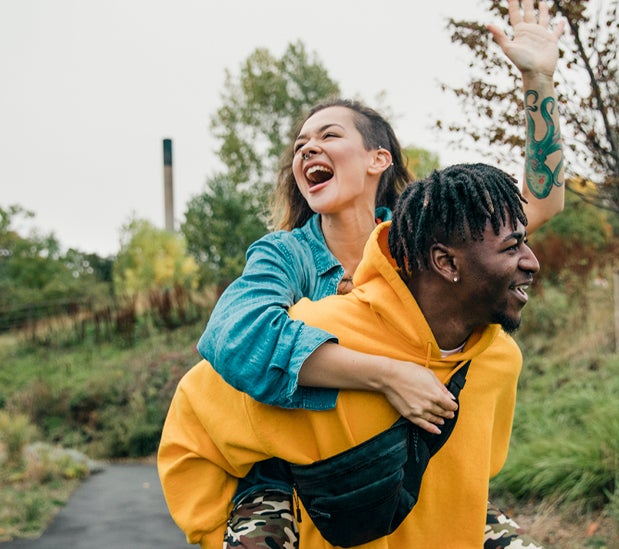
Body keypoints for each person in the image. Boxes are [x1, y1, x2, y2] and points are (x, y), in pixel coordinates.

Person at [184, 0, 565, 546]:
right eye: (300, 145)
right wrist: (387, 374)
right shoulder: (284, 256)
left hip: (407, 457)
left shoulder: (422, 239)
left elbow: (538, 206)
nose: (308, 147)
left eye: (329, 135)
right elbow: (232, 337)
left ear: (377, 159)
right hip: (295, 470)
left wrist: (538, 80)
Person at [158, 162, 542, 548]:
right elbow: (194, 422)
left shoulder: (499, 360)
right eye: (512, 247)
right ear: (445, 262)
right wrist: (218, 529)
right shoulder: (318, 336)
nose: (533, 262)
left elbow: (473, 473)